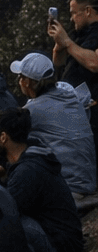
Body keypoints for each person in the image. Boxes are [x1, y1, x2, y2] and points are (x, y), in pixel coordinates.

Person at [0, 107, 84, 252]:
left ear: (3, 137)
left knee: (12, 223)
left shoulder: (27, 171)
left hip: (62, 250)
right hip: (67, 241)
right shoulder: (34, 155)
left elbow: (6, 215)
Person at [11, 51, 97, 197]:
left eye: (20, 77)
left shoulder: (32, 111)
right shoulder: (71, 96)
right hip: (88, 181)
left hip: (69, 188)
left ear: (27, 82)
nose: (19, 81)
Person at [48, 0, 98, 134]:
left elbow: (94, 64)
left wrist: (68, 42)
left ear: (88, 11)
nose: (71, 18)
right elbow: (58, 63)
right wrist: (58, 43)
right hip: (71, 113)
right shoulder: (77, 34)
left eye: (74, 13)